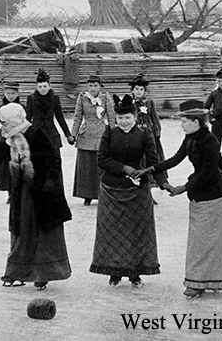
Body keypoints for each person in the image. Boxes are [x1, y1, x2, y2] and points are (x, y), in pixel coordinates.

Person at [0, 103, 72, 291]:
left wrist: (49, 182)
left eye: (4, 123)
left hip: (43, 194)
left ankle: (43, 274)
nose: (1, 128)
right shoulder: (8, 139)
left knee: (43, 235)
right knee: (20, 232)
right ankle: (18, 273)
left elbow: (54, 160)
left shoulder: (35, 134)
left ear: (14, 121)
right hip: (22, 193)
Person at [147, 99, 222, 299]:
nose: (181, 125)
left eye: (184, 121)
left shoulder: (210, 141)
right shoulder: (190, 138)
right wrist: (151, 169)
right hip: (200, 194)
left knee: (208, 243)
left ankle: (201, 283)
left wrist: (183, 188)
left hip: (216, 196)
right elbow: (175, 159)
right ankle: (200, 280)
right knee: (200, 242)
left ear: (196, 122)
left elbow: (207, 172)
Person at [92, 94, 166, 287]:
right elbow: (102, 159)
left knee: (136, 233)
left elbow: (153, 162)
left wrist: (163, 183)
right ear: (115, 119)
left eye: (127, 118)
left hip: (137, 192)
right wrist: (124, 168)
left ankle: (134, 273)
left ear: (135, 118)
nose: (124, 122)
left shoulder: (144, 134)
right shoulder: (109, 133)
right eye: (120, 118)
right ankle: (114, 272)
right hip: (111, 189)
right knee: (112, 232)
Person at [70, 75, 115, 206]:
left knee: (101, 166)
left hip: (102, 133)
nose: (93, 88)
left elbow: (112, 118)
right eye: (90, 85)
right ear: (87, 86)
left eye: (95, 85)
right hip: (86, 134)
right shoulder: (82, 98)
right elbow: (77, 117)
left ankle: (103, 194)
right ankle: (87, 195)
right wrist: (73, 135)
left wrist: (114, 135)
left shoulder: (106, 98)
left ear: (100, 86)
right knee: (87, 167)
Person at [25, 68, 74, 156]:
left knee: (54, 162)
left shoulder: (54, 99)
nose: (42, 89)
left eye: (45, 86)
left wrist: (68, 135)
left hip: (51, 134)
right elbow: (28, 118)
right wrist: (23, 134)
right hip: (36, 134)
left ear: (49, 86)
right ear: (36, 87)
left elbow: (60, 118)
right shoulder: (32, 99)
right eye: (40, 87)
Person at [130, 74, 166, 182]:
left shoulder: (149, 103)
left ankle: (151, 180)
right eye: (136, 89)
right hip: (135, 134)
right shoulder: (130, 104)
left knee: (151, 156)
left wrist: (157, 132)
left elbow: (155, 119)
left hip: (148, 134)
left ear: (145, 91)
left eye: (141, 89)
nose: (139, 91)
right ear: (132, 90)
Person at [0, 82, 22, 193]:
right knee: (5, 169)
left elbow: (27, 124)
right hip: (3, 142)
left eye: (13, 93)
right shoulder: (1, 108)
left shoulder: (22, 108)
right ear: (4, 94)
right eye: (8, 93)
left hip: (17, 142)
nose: (10, 96)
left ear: (17, 94)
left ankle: (16, 193)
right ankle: (8, 192)